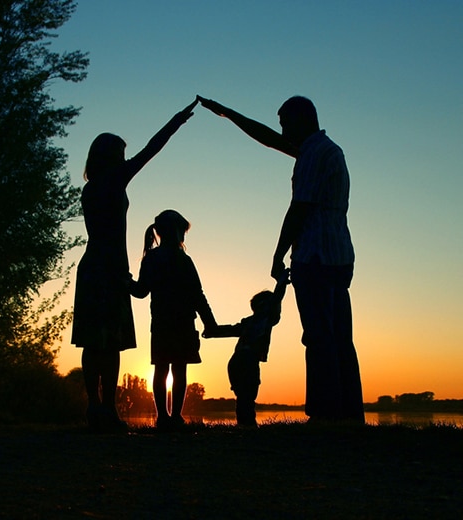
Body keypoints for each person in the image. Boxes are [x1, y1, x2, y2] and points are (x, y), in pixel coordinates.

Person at [198, 95, 363, 422]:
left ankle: (327, 414)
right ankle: (347, 414)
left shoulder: (313, 155)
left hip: (315, 255)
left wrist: (278, 254)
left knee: (319, 336)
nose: (283, 131)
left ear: (302, 120)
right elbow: (270, 140)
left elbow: (299, 208)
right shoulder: (325, 149)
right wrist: (228, 113)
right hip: (337, 254)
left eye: (286, 123)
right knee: (339, 336)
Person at [71, 99, 198, 432]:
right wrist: (177, 121)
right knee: (109, 342)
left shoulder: (89, 189)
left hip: (93, 265)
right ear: (111, 157)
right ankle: (106, 409)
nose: (126, 160)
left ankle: (96, 408)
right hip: (109, 268)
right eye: (121, 154)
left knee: (93, 341)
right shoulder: (113, 182)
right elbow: (151, 150)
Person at [129, 210, 218, 430]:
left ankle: (163, 418)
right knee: (179, 370)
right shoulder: (184, 260)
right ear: (176, 231)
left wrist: (125, 280)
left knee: (161, 369)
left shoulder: (152, 258)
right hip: (183, 323)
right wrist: (210, 322)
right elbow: (198, 295)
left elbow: (141, 291)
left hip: (161, 323)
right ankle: (175, 417)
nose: (185, 236)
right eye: (183, 231)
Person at [202, 269, 290, 427]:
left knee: (242, 396)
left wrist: (213, 332)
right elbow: (277, 299)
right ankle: (248, 425)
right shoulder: (267, 318)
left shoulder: (247, 322)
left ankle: (244, 424)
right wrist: (281, 282)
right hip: (248, 361)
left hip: (235, 361)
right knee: (248, 395)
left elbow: (229, 329)